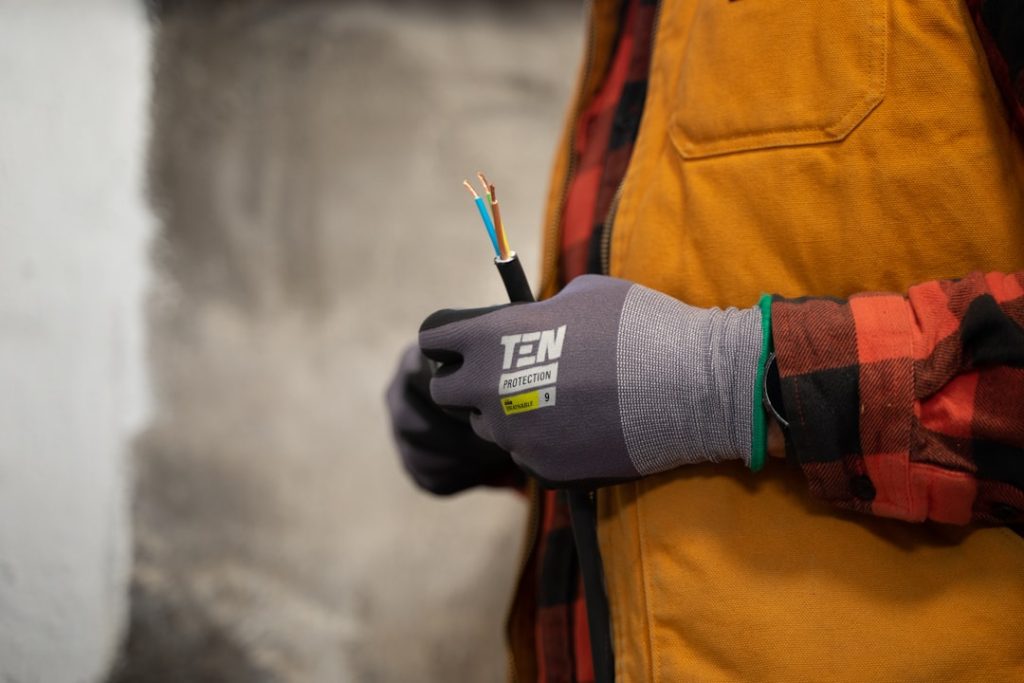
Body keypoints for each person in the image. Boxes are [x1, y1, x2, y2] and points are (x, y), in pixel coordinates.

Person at [387, 1, 1024, 681]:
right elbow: (638, 405)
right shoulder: (631, 23)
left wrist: (730, 379)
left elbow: (671, 377)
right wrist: (509, 423)